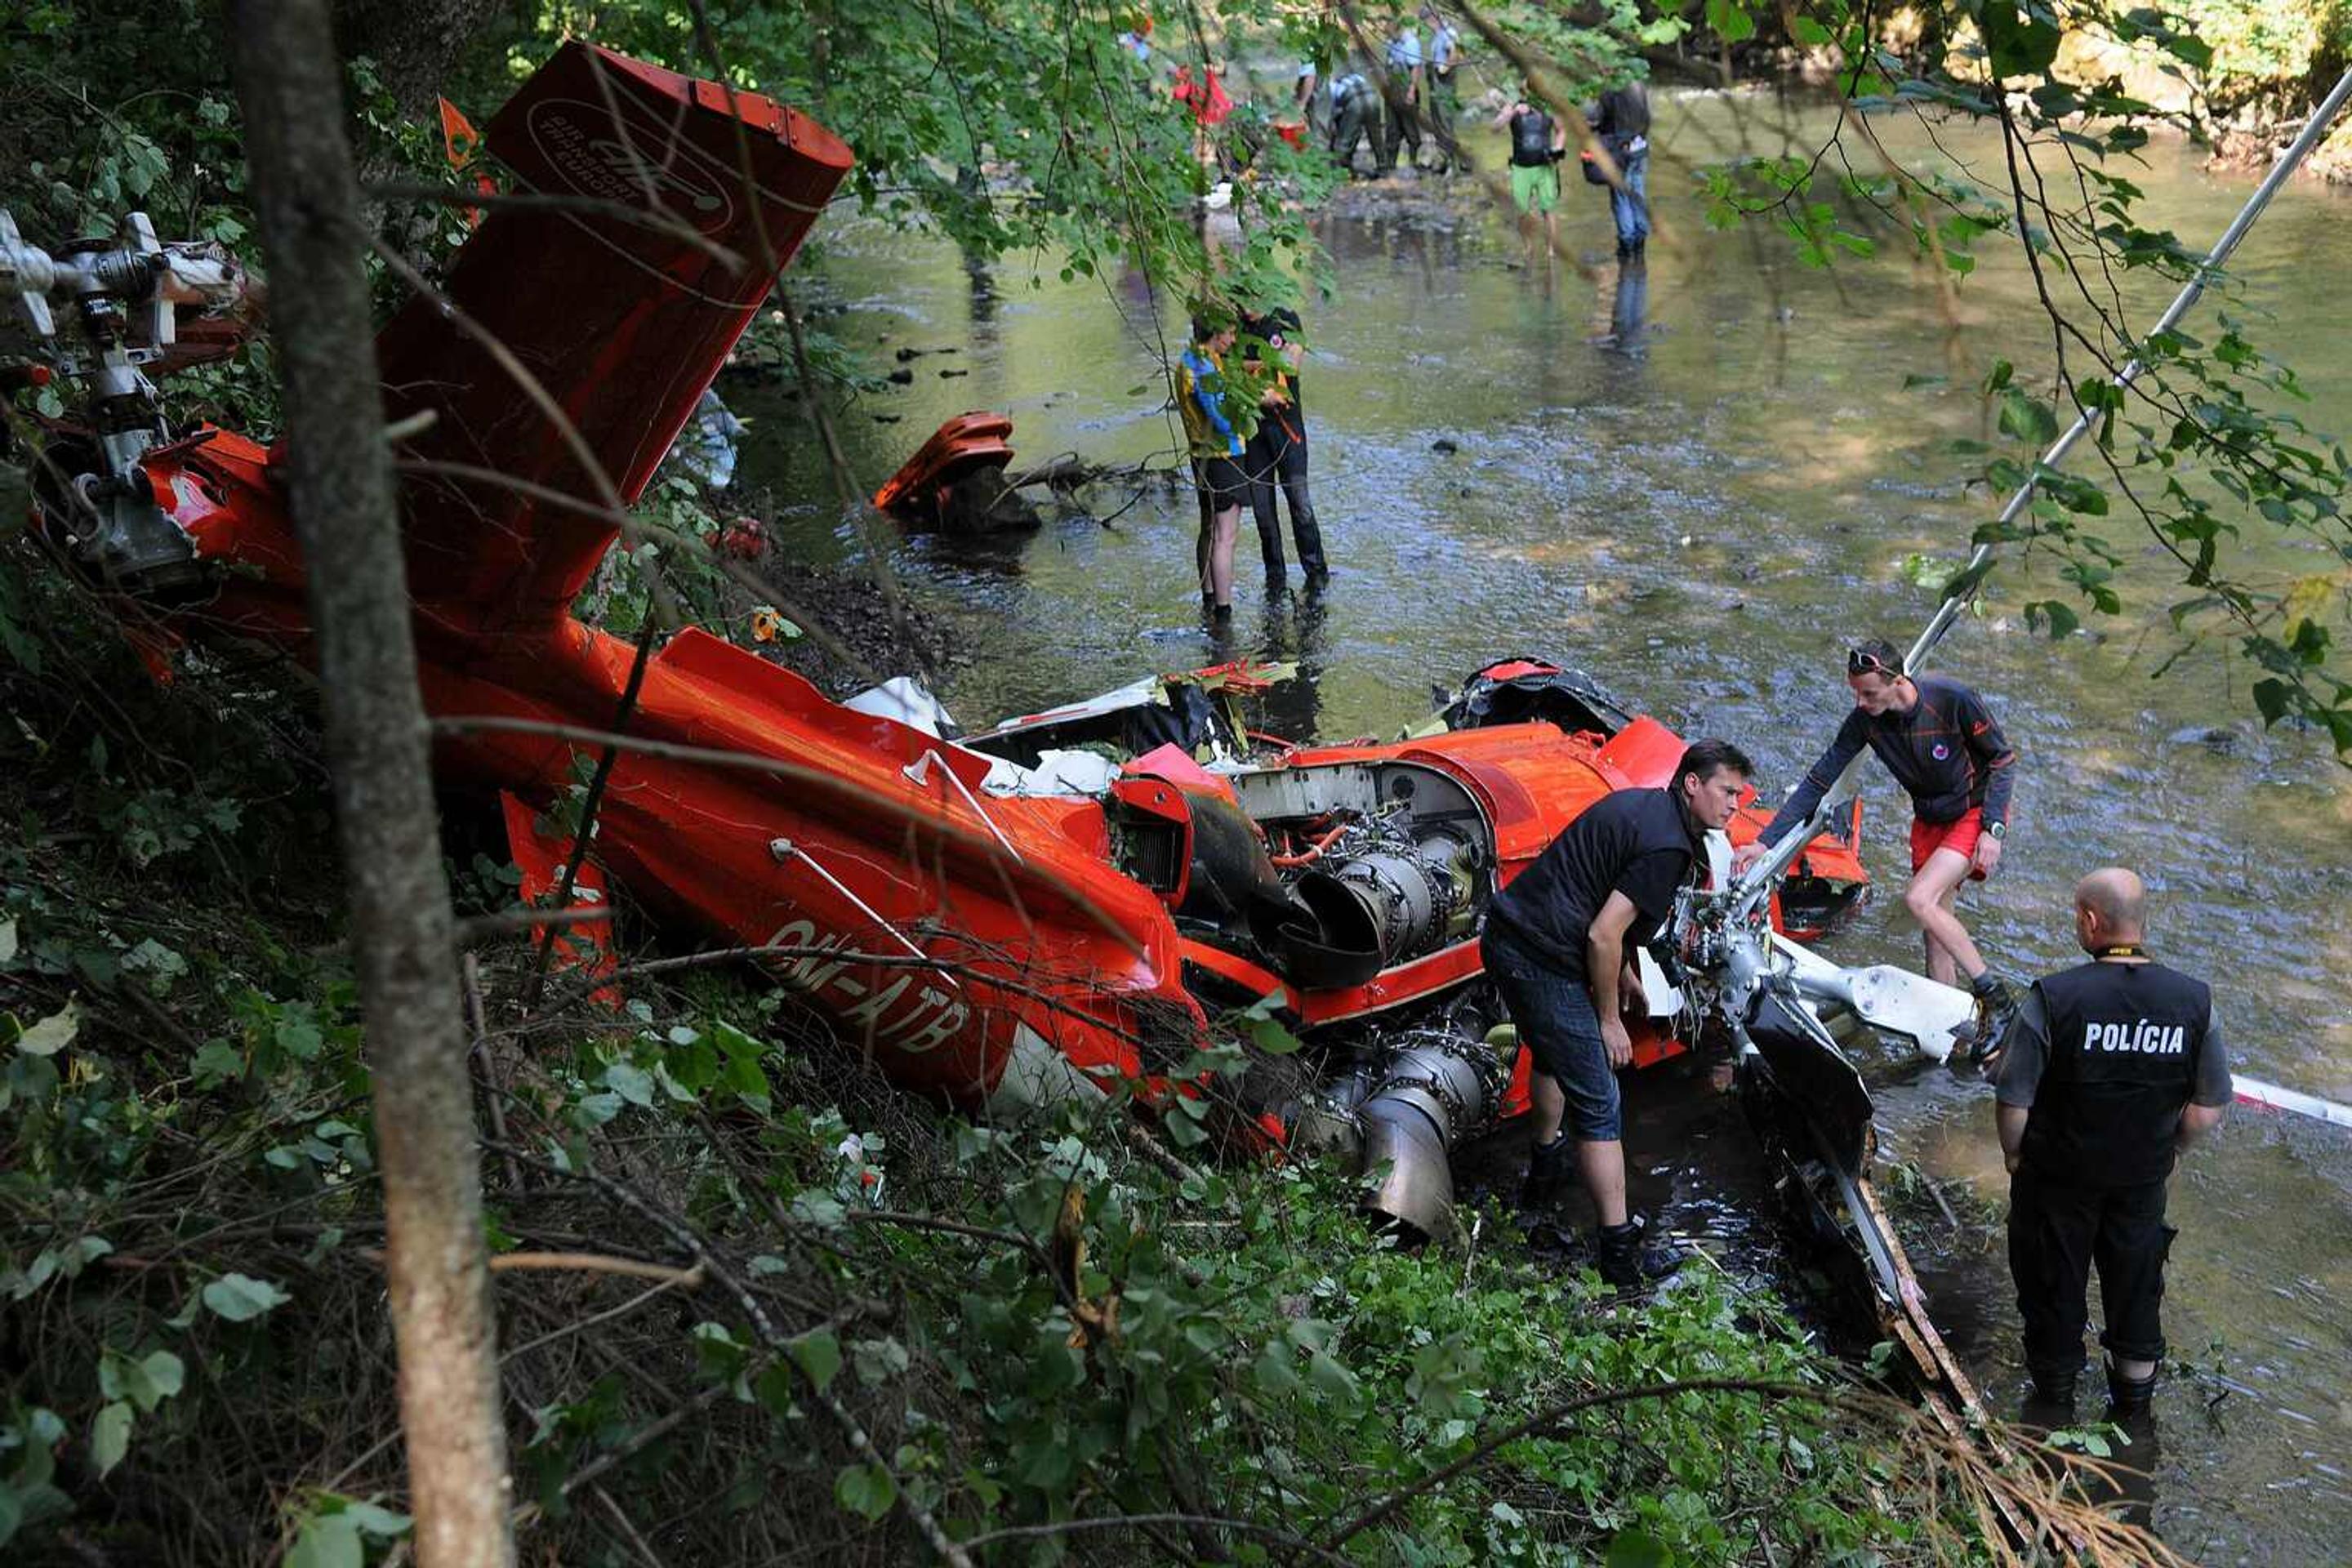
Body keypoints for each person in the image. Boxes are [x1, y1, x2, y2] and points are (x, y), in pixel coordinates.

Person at [1481, 738, 1755, 1285]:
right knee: (1600, 1096)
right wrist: (1609, 1020)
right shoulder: (1669, 848)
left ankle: (1542, 1174)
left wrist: (1628, 969)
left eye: (1740, 795)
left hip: (1509, 933)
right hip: (1541, 955)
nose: (1733, 806)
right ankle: (1619, 1256)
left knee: (1555, 1058)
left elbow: (1605, 898)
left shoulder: (1646, 808)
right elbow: (1603, 934)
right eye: (1726, 791)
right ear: (1692, 784)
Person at [1993, 868, 2231, 1414]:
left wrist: (2013, 1154)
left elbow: (2014, 1099)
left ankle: (2053, 1410)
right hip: (2140, 1182)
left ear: (2091, 921)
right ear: (2143, 923)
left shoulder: (2054, 998)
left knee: (2053, 1294)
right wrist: (2169, 1151)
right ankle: (2134, 1418)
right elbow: (2209, 1105)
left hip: (2057, 1180)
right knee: (2136, 1294)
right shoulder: (2195, 1002)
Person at [1731, 638, 2020, 1050]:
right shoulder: (1865, 721)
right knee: (1934, 931)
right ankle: (1955, 1035)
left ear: (1897, 680)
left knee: (1920, 900)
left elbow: (2003, 760)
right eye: (1855, 693)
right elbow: (1820, 778)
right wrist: (1765, 843)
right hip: (1929, 822)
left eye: (1869, 693)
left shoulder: (1952, 699)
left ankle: (1997, 999)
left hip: (1974, 813)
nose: (1862, 702)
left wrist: (1993, 829)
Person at [1241, 306, 1328, 593]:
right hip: (1252, 431)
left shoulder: (1285, 319)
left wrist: (1253, 375)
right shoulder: (1233, 329)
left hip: (1287, 427)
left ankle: (1316, 575)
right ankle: (1275, 578)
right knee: (1263, 511)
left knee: (1300, 502)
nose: (1246, 307)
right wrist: (1259, 386)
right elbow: (1225, 376)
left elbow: (1293, 362)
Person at [1176, 310, 1254, 623]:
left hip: (1202, 456)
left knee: (1208, 525)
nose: (1233, 340)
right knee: (1226, 536)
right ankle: (1223, 610)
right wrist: (1254, 403)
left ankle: (1208, 594)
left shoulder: (1190, 358)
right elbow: (1222, 419)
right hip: (1224, 458)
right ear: (1215, 333)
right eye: (1230, 334)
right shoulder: (1205, 367)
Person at [1494, 87, 1566, 257]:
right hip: (1521, 168)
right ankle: (1528, 249)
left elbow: (1561, 131)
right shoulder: (1514, 106)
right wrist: (1512, 112)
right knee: (1522, 211)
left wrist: (1558, 148)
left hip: (1545, 166)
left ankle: (1551, 251)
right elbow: (1495, 128)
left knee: (1548, 209)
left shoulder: (1549, 107)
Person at [1588, 77, 1651, 258]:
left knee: (1621, 197)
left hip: (1620, 151)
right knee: (1638, 195)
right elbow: (1648, 117)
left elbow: (1595, 119)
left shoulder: (1609, 89)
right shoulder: (1638, 84)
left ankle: (1627, 245)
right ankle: (1640, 243)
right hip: (1640, 147)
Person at [1379, 17, 1424, 176]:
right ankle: (1390, 165)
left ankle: (1413, 162)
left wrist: (1411, 91)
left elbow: (1416, 68)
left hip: (1406, 92)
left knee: (1410, 128)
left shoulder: (1411, 42)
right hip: (1391, 93)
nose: (1382, 30)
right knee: (1392, 129)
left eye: (1384, 26)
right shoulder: (1391, 43)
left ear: (1394, 25)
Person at [1423, 7, 1461, 172]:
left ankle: (1454, 164)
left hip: (1445, 82)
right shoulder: (1437, 35)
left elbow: (1455, 53)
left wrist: (1444, 68)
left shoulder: (1448, 32)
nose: (1426, 25)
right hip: (1435, 81)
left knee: (1446, 122)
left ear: (1433, 18)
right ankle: (1443, 160)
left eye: (1426, 21)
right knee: (1438, 121)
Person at [1329, 67, 1383, 177]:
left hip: (1354, 102)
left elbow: (1333, 115)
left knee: (1344, 139)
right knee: (1376, 137)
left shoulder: (1332, 87)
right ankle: (1384, 167)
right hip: (1373, 98)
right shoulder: (1359, 78)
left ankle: (1338, 170)